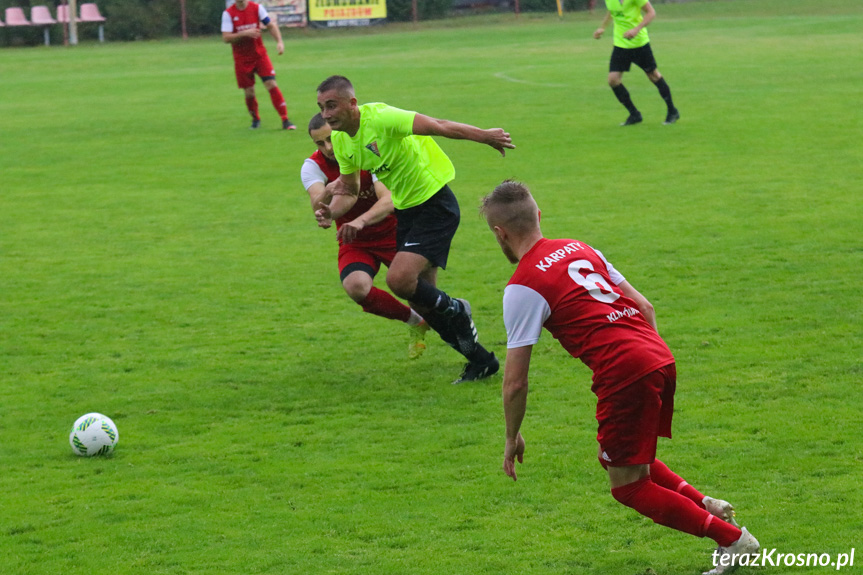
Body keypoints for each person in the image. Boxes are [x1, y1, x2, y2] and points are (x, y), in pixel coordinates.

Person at [480, 180, 759, 575]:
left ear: (499, 233)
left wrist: (512, 437)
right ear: (538, 217)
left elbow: (515, 382)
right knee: (618, 459)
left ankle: (733, 540)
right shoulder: (581, 248)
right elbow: (644, 305)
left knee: (628, 486)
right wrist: (646, 357)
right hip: (657, 356)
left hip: (626, 371)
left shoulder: (523, 285)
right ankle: (706, 505)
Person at [315, 75, 514, 384]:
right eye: (321, 108)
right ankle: (481, 361)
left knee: (399, 279)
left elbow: (439, 125)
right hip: (407, 212)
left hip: (436, 204)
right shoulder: (341, 140)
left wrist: (485, 136)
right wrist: (331, 211)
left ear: (352, 103)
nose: (326, 114)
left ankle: (459, 309)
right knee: (423, 302)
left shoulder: (381, 118)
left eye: (331, 106)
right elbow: (351, 190)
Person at [301, 113, 430, 359]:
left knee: (423, 297)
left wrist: (359, 219)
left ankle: (456, 319)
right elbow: (317, 203)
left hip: (394, 233)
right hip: (354, 240)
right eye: (320, 143)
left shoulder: (365, 152)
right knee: (356, 287)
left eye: (330, 139)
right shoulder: (313, 166)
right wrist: (329, 191)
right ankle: (415, 322)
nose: (328, 148)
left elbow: (389, 200)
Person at [593, 0, 679, 126]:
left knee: (653, 76)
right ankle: (634, 114)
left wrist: (636, 29)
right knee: (613, 80)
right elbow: (612, 11)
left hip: (639, 43)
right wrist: (602, 27)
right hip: (621, 44)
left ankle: (672, 111)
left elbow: (651, 12)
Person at [221, 0, 296, 130]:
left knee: (271, 84)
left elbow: (270, 25)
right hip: (241, 59)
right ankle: (255, 119)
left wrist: (279, 42)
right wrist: (244, 33)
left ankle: (285, 120)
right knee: (249, 92)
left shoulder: (256, 8)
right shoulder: (228, 13)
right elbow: (226, 38)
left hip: (259, 55)